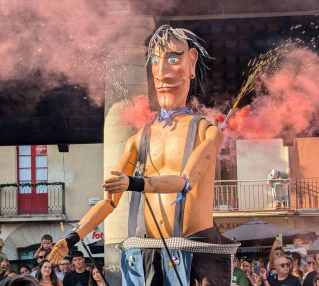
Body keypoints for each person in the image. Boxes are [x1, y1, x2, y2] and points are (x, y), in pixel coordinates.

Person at [49, 24, 237, 286]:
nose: (162, 72)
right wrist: (71, 239)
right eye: (156, 61)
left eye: (173, 59)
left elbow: (185, 181)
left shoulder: (206, 131)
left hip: (198, 247)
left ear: (191, 62)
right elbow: (109, 201)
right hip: (152, 249)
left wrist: (134, 183)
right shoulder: (141, 138)